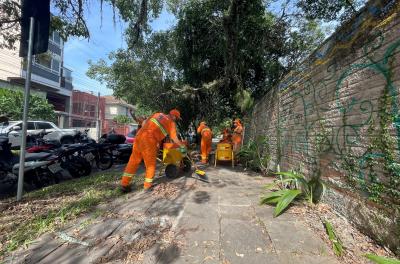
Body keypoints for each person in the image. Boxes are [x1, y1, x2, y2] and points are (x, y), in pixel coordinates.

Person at [120, 109, 187, 192]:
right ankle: (147, 186)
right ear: (173, 116)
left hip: (139, 136)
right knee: (150, 164)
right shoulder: (171, 123)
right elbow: (174, 138)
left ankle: (124, 184)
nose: (176, 119)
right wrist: (182, 146)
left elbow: (144, 123)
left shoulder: (157, 114)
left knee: (133, 161)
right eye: (176, 118)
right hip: (149, 140)